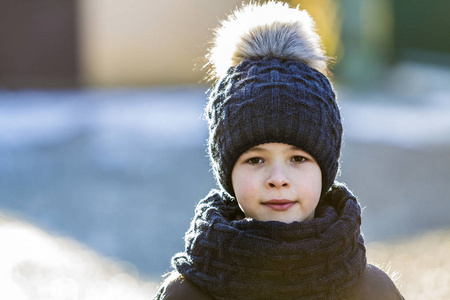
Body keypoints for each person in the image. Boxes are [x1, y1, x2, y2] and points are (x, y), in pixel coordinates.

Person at [154, 1, 404, 299]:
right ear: (227, 172)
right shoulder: (187, 293)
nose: (277, 178)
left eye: (298, 158)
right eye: (255, 159)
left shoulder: (370, 291)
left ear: (325, 169)